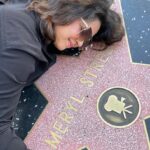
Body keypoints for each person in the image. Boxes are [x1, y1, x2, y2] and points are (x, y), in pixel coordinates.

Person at [0, 0, 124, 149]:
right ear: (68, 9)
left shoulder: (30, 11)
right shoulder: (20, 51)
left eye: (87, 40)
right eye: (84, 31)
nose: (80, 43)